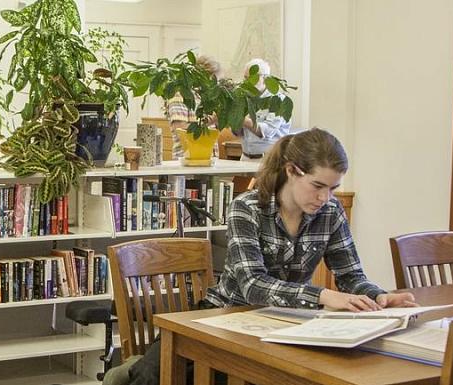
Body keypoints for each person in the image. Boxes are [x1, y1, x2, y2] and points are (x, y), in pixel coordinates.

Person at [126, 128, 417, 385]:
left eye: (333, 188)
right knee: (150, 376)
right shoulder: (247, 207)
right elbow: (252, 285)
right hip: (223, 316)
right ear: (291, 170)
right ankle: (127, 374)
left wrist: (379, 297)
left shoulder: (331, 213)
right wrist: (322, 295)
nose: (325, 198)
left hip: (287, 324)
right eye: (318, 186)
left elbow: (351, 276)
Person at [234, 58, 293, 161]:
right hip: (245, 157)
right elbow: (238, 133)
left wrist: (242, 119)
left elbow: (268, 131)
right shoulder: (244, 98)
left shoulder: (278, 100)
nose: (247, 82)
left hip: (268, 160)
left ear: (265, 79)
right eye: (245, 78)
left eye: (252, 78)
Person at [165, 56, 221, 160]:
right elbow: (180, 128)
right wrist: (212, 119)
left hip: (209, 159)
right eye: (213, 79)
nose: (215, 84)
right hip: (187, 160)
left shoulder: (209, 97)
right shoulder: (180, 94)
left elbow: (214, 127)